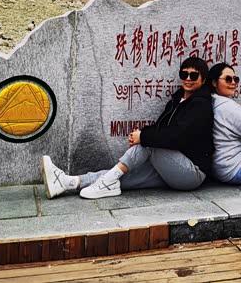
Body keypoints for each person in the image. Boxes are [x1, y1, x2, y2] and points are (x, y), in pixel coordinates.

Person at [41, 57, 214, 200]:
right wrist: (140, 135)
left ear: (204, 79)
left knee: (147, 145)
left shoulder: (201, 105)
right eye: (184, 74)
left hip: (192, 172)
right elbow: (161, 128)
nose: (188, 78)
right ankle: (68, 182)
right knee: (121, 175)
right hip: (172, 165)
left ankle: (105, 184)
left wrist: (143, 137)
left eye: (194, 75)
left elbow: (177, 136)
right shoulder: (176, 101)